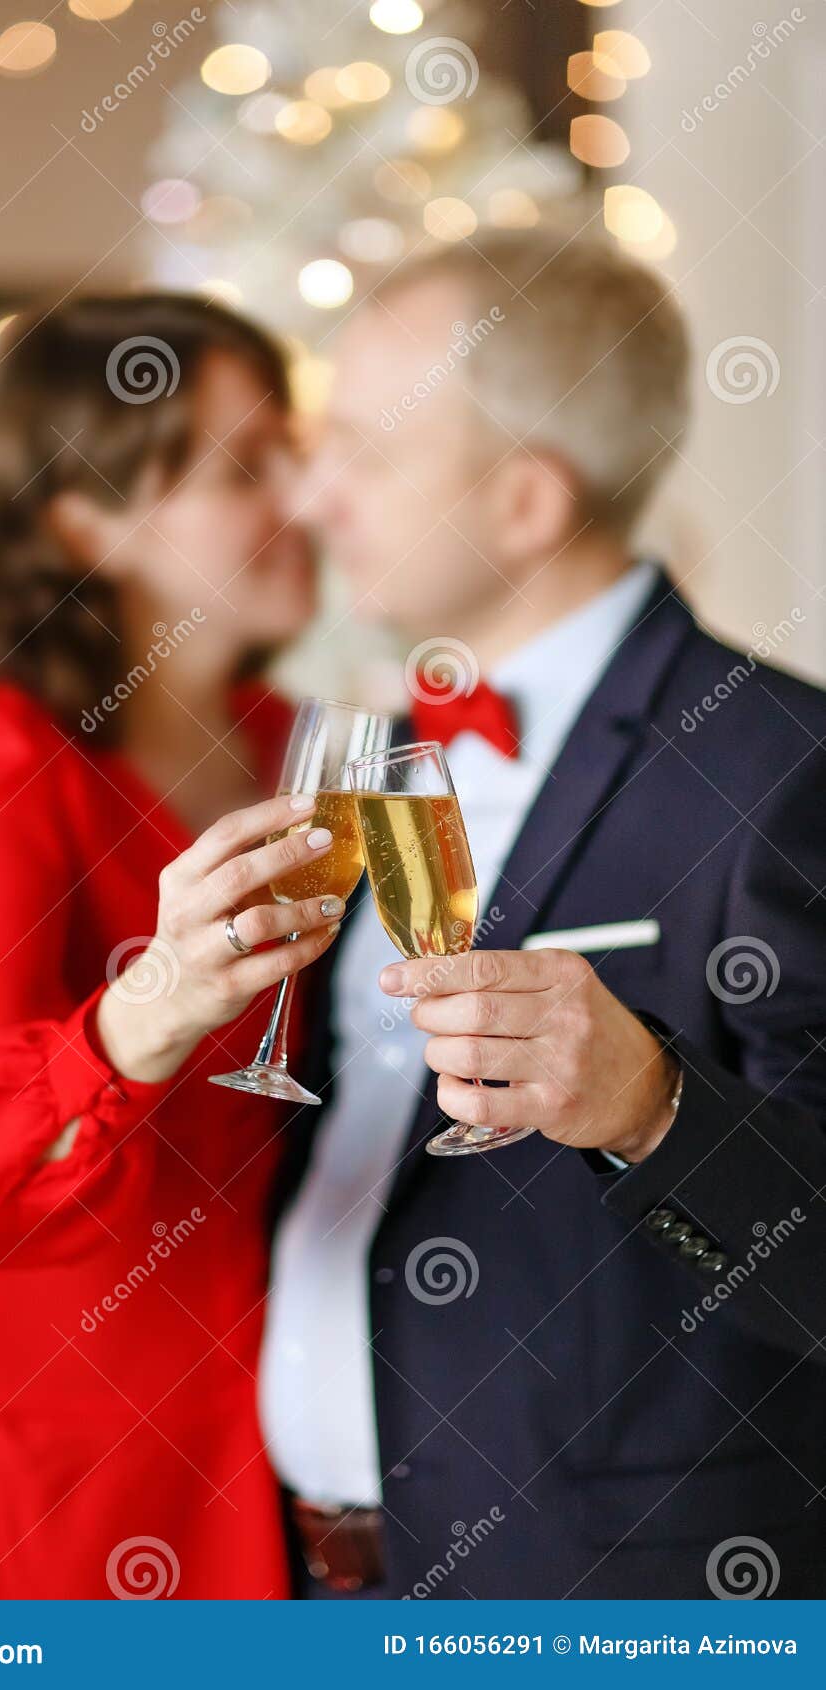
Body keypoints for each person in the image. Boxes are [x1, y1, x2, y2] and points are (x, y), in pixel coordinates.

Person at [261, 230, 826, 1599]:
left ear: (525, 501)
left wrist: (651, 1105)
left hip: (609, 1595)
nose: (312, 495)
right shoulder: (364, 749)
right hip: (301, 1583)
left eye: (369, 455)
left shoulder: (782, 766)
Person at [0, 295, 344, 1599]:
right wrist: (152, 1008)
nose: (307, 490)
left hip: (266, 1443)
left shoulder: (299, 742)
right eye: (244, 467)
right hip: (58, 1475)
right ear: (86, 518)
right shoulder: (0, 763)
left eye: (296, 447)